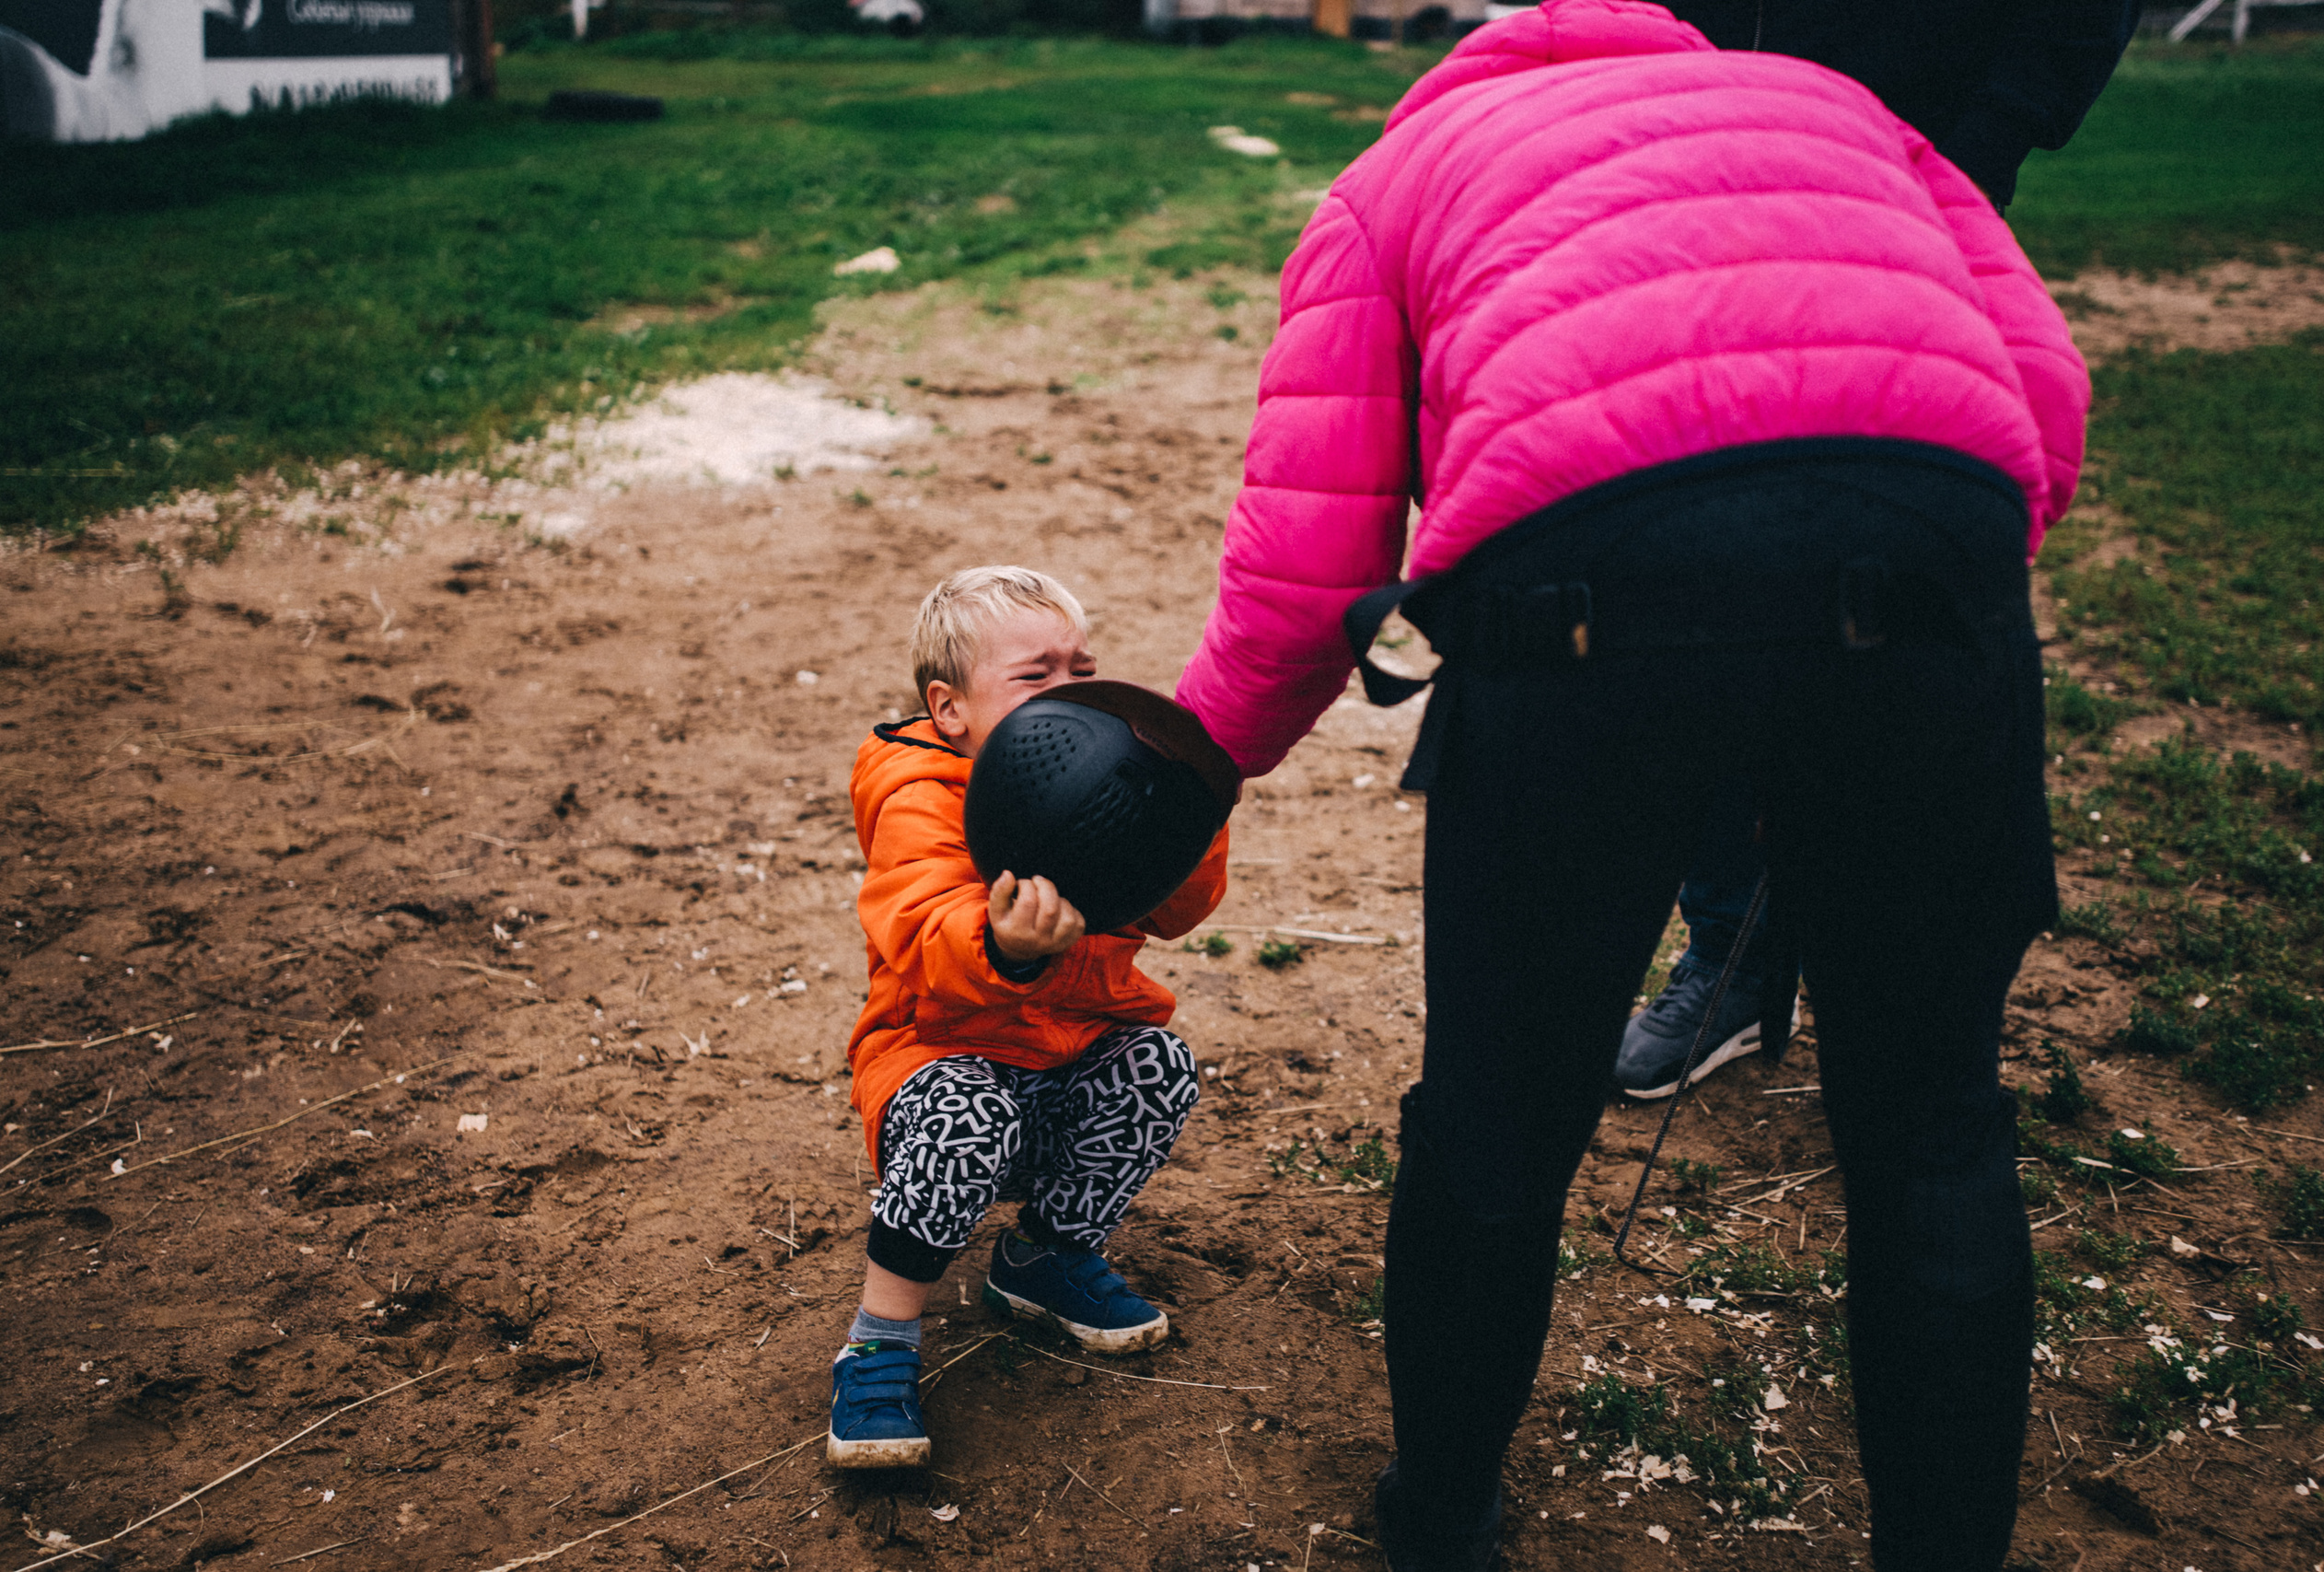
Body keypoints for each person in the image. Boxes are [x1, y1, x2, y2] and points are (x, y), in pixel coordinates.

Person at [1171, 1, 2086, 1566]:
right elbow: (2047, 396)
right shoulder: (1830, 102)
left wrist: (1191, 765)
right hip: (1933, 558)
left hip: (1582, 592)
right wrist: (1881, 636)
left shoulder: (1394, 176)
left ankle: (1442, 1521)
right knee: (1934, 1127)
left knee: (1497, 1118)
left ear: (1469, 61)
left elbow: (1307, 569)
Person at [1615, 0, 2144, 1100]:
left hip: (1913, 181)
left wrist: (1986, 136)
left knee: (1896, 583)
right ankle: (1733, 953)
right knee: (1704, 565)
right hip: (1702, 169)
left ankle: (1900, 991)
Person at [829, 565, 1228, 1469]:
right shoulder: (919, 795)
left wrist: (1192, 812)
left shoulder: (1103, 785)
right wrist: (1001, 943)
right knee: (967, 1108)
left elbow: (1172, 910)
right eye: (1035, 675)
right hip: (938, 1067)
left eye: (1079, 670)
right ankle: (878, 1340)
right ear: (950, 710)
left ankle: (1045, 1255)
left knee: (1157, 1066)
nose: (1071, 694)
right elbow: (922, 932)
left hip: (1065, 1066)